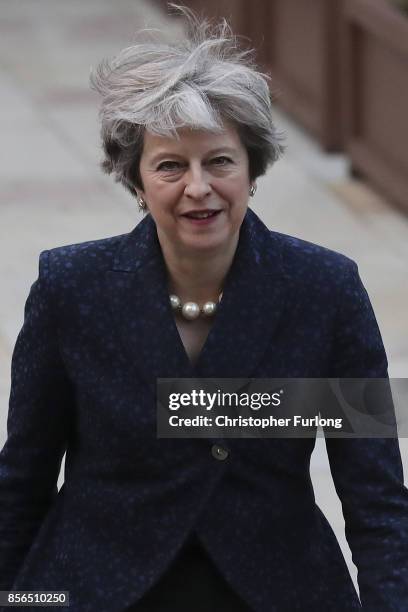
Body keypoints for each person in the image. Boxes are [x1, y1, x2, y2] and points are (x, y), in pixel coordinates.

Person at [0, 6, 407, 611]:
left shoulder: (325, 289)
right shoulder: (71, 285)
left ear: (252, 170)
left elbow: (376, 495)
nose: (198, 187)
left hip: (278, 588)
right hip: (95, 589)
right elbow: (24, 476)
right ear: (136, 180)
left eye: (219, 160)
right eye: (169, 165)